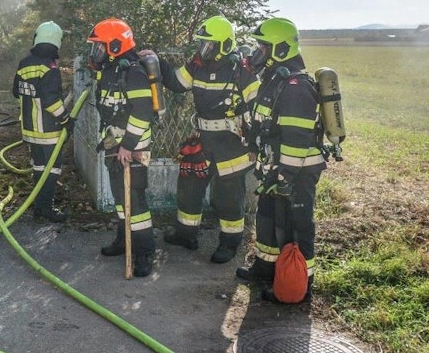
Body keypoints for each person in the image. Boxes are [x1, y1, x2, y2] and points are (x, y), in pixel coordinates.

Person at [153, 15, 261, 264]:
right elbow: (177, 83)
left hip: (231, 144)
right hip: (202, 139)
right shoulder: (197, 65)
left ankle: (230, 243)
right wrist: (157, 60)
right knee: (189, 188)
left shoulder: (241, 71)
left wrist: (255, 142)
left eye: (210, 45)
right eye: (203, 44)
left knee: (228, 197)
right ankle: (186, 234)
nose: (205, 49)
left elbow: (258, 109)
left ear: (224, 45)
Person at [235, 17, 326, 303]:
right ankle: (266, 267)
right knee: (268, 218)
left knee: (295, 227)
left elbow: (297, 141)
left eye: (263, 47)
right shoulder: (275, 79)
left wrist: (285, 176)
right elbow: (265, 122)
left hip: (296, 173)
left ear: (281, 49)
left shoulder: (297, 85)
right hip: (275, 170)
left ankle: (296, 286)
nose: (257, 52)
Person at [88, 18, 157, 278]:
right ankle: (123, 239)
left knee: (135, 201)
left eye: (100, 47)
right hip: (113, 144)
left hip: (133, 147)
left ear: (116, 45)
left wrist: (128, 145)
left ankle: (144, 252)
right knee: (120, 198)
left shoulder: (134, 72)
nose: (96, 52)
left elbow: (142, 113)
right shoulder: (113, 69)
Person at [12, 21, 73, 222]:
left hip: (30, 129)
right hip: (48, 130)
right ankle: (47, 208)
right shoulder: (50, 67)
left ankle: (39, 206)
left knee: (38, 167)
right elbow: (51, 101)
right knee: (52, 168)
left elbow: (16, 92)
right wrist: (66, 120)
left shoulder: (24, 63)